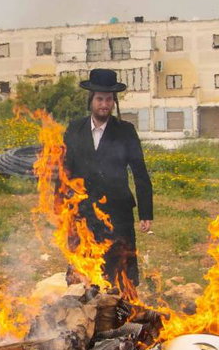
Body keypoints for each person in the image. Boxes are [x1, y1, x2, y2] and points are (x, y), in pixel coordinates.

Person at [62, 68, 154, 292]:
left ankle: (122, 308)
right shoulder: (74, 129)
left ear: (114, 102)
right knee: (83, 271)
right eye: (100, 99)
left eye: (109, 99)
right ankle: (84, 308)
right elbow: (64, 171)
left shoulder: (126, 131)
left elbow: (140, 173)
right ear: (91, 100)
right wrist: (61, 206)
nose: (104, 104)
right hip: (83, 213)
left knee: (121, 273)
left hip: (117, 213)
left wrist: (145, 213)